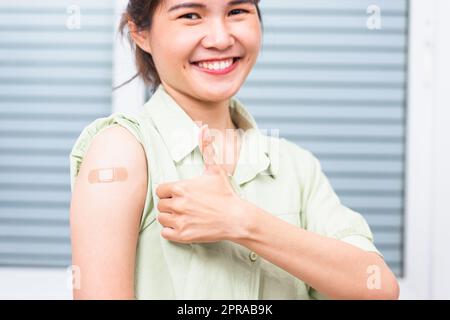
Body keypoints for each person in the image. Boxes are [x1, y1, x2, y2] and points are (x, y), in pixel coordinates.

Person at [69, 0, 399, 300]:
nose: (221, 38)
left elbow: (378, 289)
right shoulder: (122, 151)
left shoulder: (296, 166)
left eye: (237, 11)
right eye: (190, 15)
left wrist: (243, 222)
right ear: (140, 33)